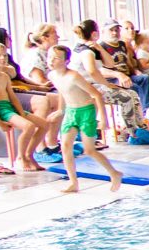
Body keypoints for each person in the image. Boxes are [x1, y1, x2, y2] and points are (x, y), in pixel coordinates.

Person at [45, 46, 121, 193]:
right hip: (70, 112)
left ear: (66, 61)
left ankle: (114, 173)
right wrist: (60, 110)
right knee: (65, 147)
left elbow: (97, 95)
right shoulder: (52, 75)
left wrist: (103, 119)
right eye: (49, 57)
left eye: (56, 58)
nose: (51, 61)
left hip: (86, 111)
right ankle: (73, 182)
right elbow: (61, 91)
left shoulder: (73, 76)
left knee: (89, 150)